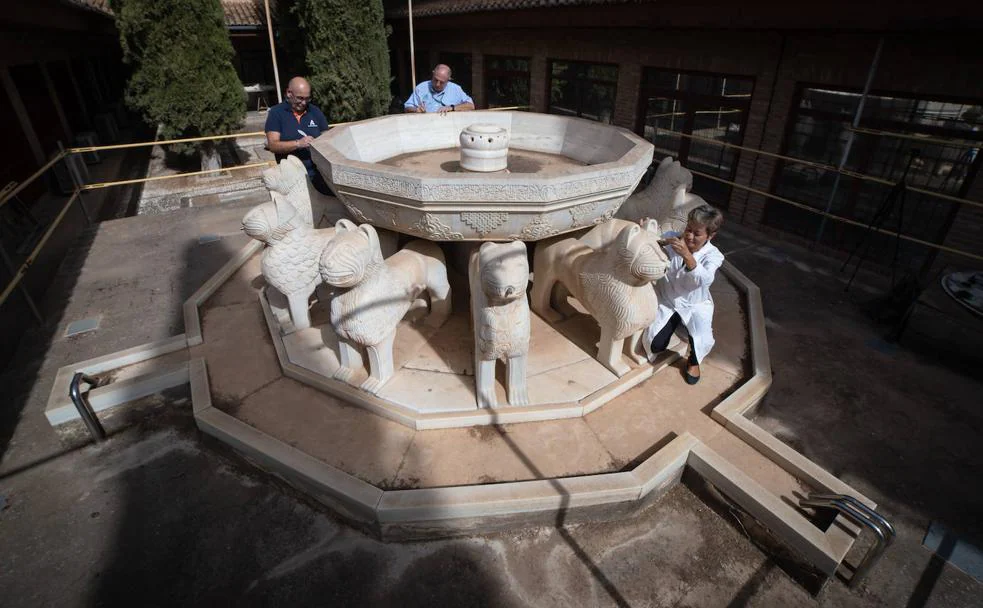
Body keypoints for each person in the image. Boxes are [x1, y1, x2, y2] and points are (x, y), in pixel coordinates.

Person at [643, 204, 725, 385]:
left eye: (697, 234)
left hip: (694, 305)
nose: (689, 236)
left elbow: (704, 280)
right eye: (689, 229)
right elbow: (649, 243)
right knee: (655, 345)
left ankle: (693, 361)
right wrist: (646, 231)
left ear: (710, 236)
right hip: (668, 300)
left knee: (702, 340)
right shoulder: (671, 238)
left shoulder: (714, 256)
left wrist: (687, 256)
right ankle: (675, 322)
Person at [265, 76, 331, 194]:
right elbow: (273, 145)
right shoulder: (276, 113)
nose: (304, 103)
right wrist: (298, 143)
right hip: (291, 177)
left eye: (307, 99)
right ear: (289, 93)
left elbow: (327, 136)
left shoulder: (315, 111)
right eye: (300, 98)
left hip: (318, 174)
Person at [404, 64, 475, 113]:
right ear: (433, 74)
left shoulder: (456, 89)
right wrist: (416, 110)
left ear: (448, 80)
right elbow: (407, 108)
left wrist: (452, 108)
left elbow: (471, 106)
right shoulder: (421, 88)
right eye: (435, 80)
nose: (437, 84)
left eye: (442, 82)